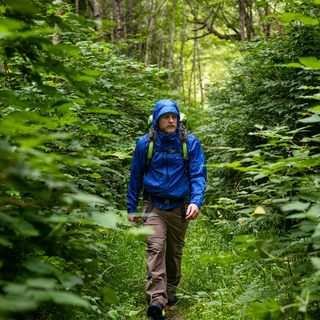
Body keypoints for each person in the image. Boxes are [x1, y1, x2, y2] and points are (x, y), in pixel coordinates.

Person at [127, 99, 206, 319]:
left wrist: (195, 201)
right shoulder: (146, 144)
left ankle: (170, 293)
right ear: (157, 119)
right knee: (155, 248)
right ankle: (157, 301)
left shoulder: (189, 143)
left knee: (173, 253)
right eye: (166, 117)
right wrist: (131, 207)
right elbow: (135, 176)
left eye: (174, 116)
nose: (171, 120)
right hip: (153, 206)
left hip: (180, 207)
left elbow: (198, 175)